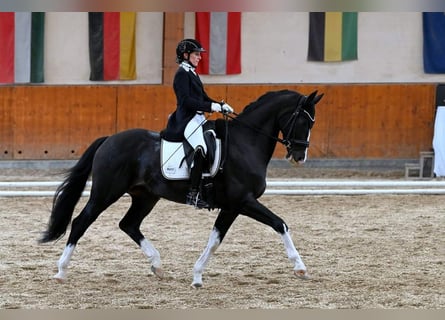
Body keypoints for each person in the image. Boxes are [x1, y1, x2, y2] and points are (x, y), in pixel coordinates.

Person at [161, 38, 234, 208]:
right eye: (196, 54)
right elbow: (186, 101)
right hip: (186, 120)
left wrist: (219, 105)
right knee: (201, 148)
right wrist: (211, 106)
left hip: (198, 118)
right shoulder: (181, 74)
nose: (199, 57)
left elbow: (201, 97)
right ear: (185, 55)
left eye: (199, 54)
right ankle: (193, 193)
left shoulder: (192, 73)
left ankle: (209, 183)